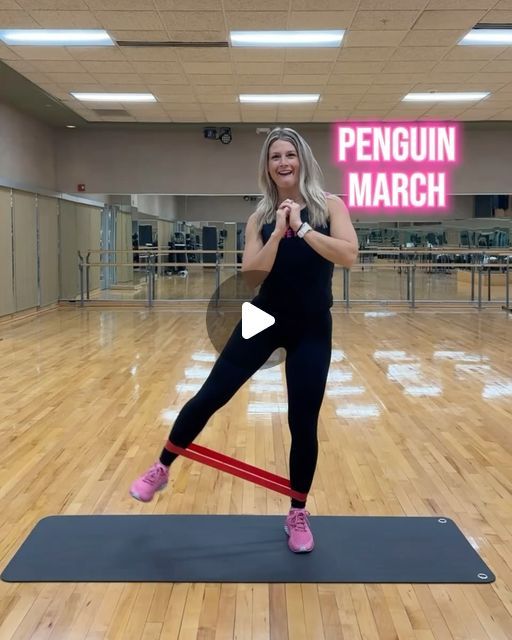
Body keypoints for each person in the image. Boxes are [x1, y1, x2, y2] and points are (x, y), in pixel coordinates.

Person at [130, 127, 359, 553]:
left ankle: (297, 513)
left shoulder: (330, 206)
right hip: (262, 317)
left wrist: (304, 229)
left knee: (302, 420)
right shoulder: (258, 217)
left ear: (303, 160)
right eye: (275, 157)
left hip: (312, 325)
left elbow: (348, 256)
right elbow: (253, 274)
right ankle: (161, 468)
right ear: (267, 167)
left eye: (290, 154)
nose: (284, 162)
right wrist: (277, 232)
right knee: (210, 394)